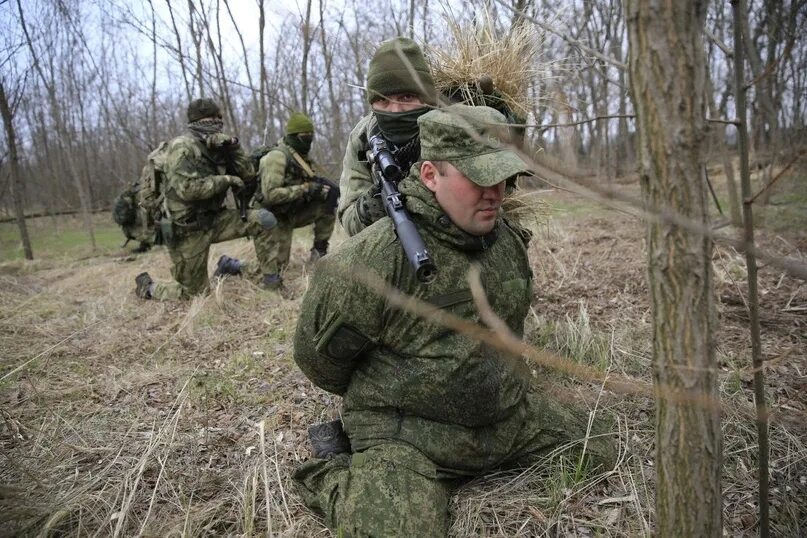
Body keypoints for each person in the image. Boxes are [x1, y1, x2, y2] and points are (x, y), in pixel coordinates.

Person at [292, 105, 615, 537]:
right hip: (411, 436)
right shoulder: (371, 261)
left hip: (507, 420)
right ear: (430, 175)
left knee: (599, 447)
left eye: (502, 176)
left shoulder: (507, 243)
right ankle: (332, 466)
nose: (495, 192)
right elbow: (318, 360)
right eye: (478, 178)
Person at [134, 98, 277, 300]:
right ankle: (148, 288)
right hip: (186, 230)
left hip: (215, 219)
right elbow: (187, 190)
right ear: (198, 122)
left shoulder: (219, 146)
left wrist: (233, 147)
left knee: (264, 220)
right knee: (195, 295)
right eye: (212, 119)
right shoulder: (182, 147)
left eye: (219, 119)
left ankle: (269, 282)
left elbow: (248, 175)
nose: (217, 123)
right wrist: (226, 180)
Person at [338, 36, 437, 237]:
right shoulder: (362, 137)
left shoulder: (449, 127)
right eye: (383, 100)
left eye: (406, 97)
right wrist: (373, 204)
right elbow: (349, 220)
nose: (395, 110)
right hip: (389, 237)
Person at [251, 112, 339, 290]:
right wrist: (305, 189)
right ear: (292, 136)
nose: (308, 140)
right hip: (272, 218)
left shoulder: (301, 156)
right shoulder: (276, 157)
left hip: (292, 211)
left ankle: (319, 252)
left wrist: (319, 189)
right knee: (275, 269)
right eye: (304, 136)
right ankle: (231, 265)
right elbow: (271, 195)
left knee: (328, 200)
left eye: (311, 136)